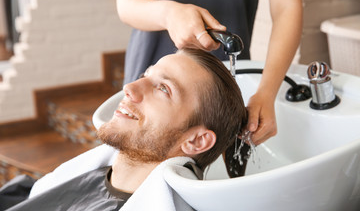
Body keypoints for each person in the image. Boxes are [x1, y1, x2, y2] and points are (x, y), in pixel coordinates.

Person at [1, 49, 247, 210]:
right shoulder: (67, 180)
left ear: (196, 141)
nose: (130, 87)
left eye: (163, 88)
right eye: (145, 75)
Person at [116, 0, 303, 145]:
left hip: (221, 83)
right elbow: (126, 0)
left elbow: (287, 7)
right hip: (152, 70)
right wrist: (168, 14)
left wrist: (266, 93)